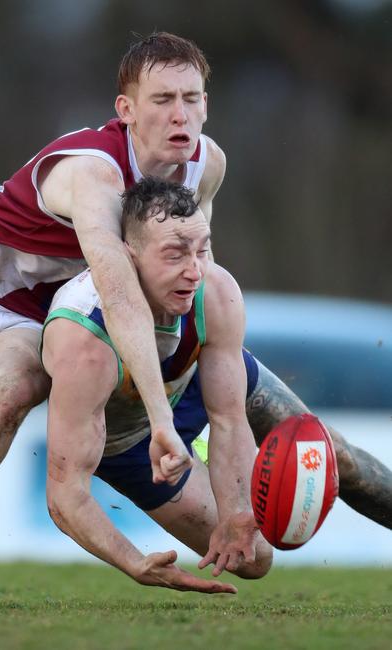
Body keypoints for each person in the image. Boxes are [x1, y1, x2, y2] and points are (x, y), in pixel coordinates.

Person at [0, 32, 392, 606]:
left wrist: (200, 364)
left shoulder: (208, 164)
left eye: (193, 99)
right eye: (163, 98)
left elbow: (189, 269)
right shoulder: (93, 175)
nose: (181, 115)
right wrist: (166, 420)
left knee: (13, 397)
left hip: (44, 314)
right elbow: (118, 295)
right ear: (125, 110)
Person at [42, 177, 273, 594]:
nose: (194, 271)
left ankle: (199, 452)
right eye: (174, 254)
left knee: (255, 544)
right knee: (254, 561)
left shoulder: (215, 291)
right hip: (126, 444)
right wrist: (135, 563)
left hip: (186, 395)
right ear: (129, 258)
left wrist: (237, 511)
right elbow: (65, 493)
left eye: (201, 249)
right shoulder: (84, 342)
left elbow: (229, 417)